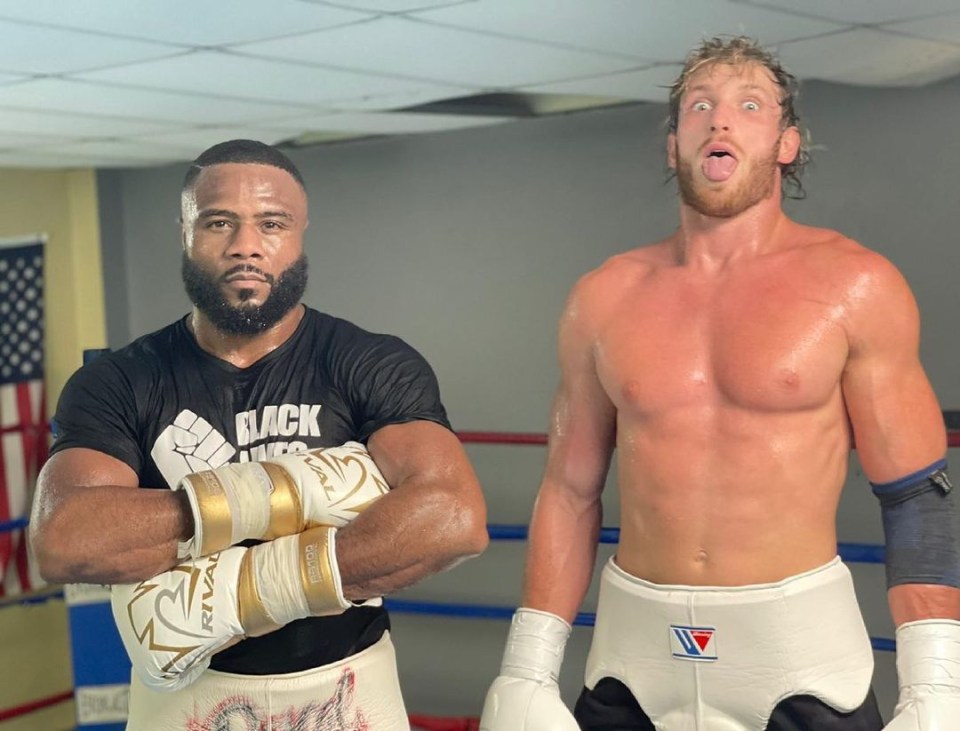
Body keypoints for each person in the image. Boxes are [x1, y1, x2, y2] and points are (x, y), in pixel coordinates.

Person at [480, 36, 960, 731]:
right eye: (699, 105)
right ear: (672, 143)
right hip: (633, 657)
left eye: (749, 104)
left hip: (797, 659)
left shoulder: (856, 285)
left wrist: (937, 683)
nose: (720, 119)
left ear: (786, 143)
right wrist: (526, 666)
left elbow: (915, 497)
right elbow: (569, 488)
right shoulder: (604, 296)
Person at [29, 139, 489, 730]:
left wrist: (243, 585)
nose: (247, 245)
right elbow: (66, 539)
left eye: (272, 224)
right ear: (186, 233)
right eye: (220, 222)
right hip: (188, 694)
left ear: (300, 235)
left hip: (347, 686)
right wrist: (307, 496)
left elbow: (453, 518)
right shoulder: (119, 382)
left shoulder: (371, 363)